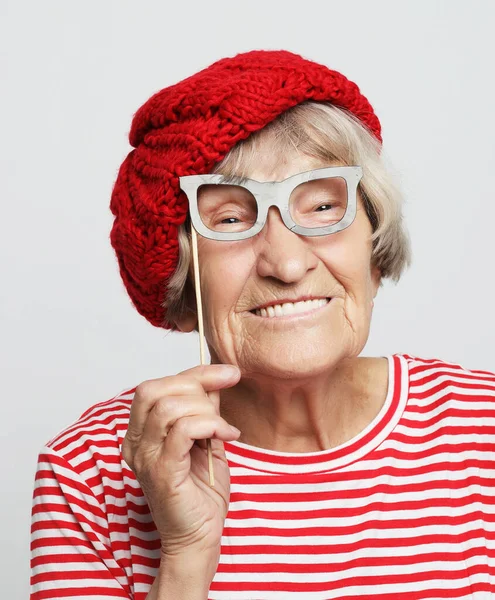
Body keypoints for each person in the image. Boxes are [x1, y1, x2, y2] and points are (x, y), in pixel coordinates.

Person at [30, 50, 495, 600]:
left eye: (323, 207)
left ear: (373, 243)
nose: (288, 264)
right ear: (184, 278)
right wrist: (185, 556)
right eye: (229, 218)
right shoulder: (87, 473)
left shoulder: (482, 433)